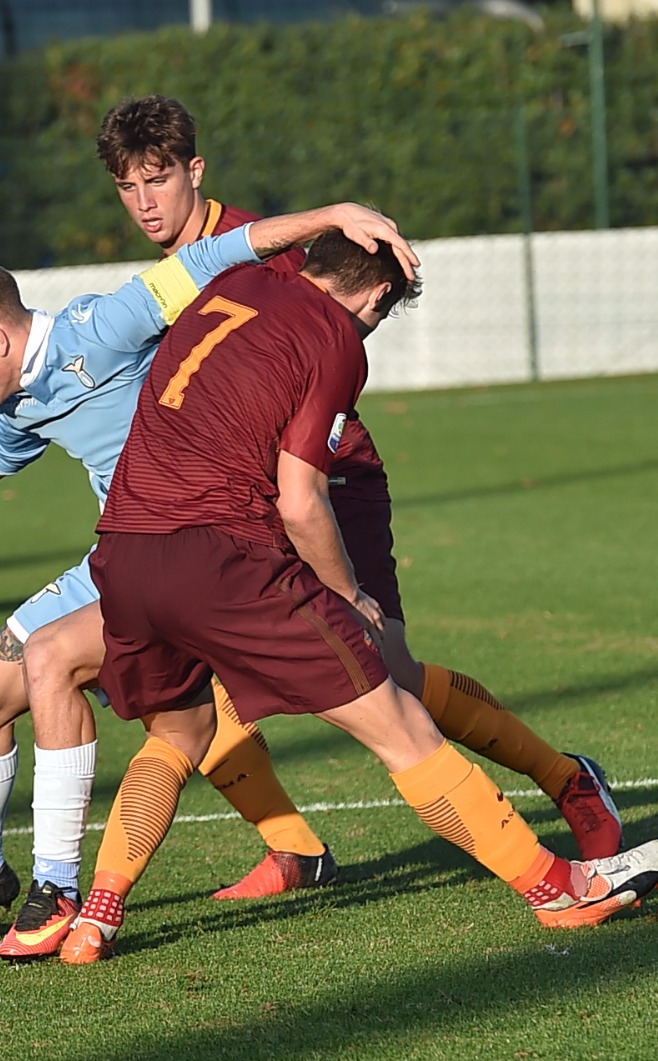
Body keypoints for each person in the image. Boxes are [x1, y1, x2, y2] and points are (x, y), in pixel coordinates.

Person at [56, 233, 658, 965]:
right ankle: (557, 889)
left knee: (179, 732)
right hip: (230, 545)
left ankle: (96, 917)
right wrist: (348, 594)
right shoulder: (334, 332)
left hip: (125, 549)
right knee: (399, 719)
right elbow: (299, 498)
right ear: (378, 296)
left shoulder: (231, 275)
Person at [93, 94, 623, 879]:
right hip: (217, 506)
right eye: (128, 188)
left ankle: (566, 779)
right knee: (188, 693)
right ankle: (287, 848)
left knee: (389, 674)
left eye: (158, 182)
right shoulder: (174, 274)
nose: (144, 203)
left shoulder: (271, 256)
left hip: (324, 480)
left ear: (194, 173)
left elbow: (314, 413)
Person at [0, 205, 416, 961]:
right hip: (117, 560)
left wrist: (332, 216)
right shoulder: (21, 396)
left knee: (74, 673)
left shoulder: (102, 328)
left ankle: (59, 886)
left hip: (190, 547)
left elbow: (221, 252)